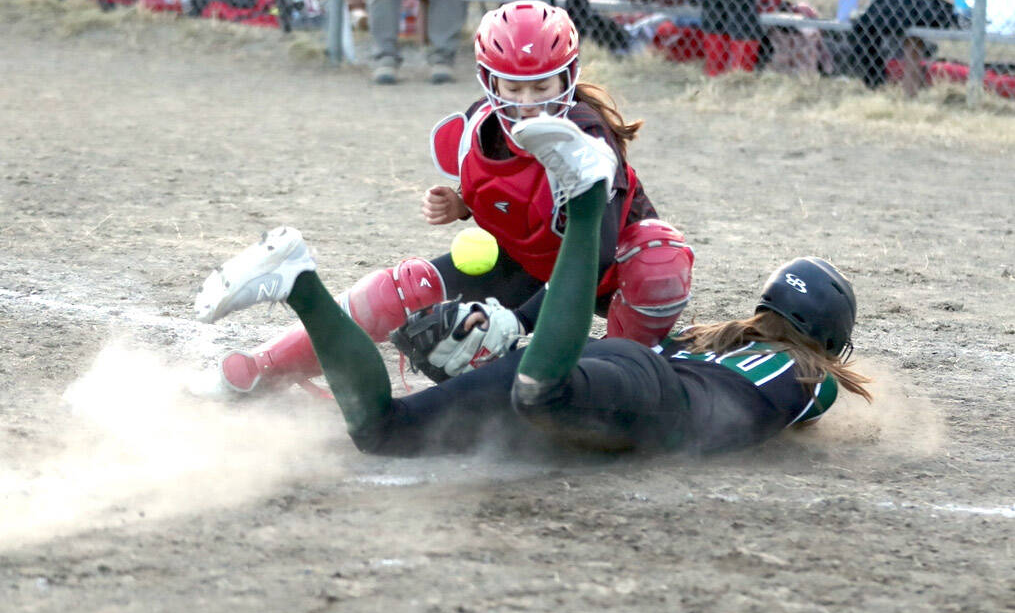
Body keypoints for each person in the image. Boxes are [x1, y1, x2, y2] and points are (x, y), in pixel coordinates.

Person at [194, 121, 871, 457]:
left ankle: (299, 281)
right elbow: (822, 396)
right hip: (644, 398)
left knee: (382, 432)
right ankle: (582, 199)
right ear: (826, 339)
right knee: (542, 391)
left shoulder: (716, 340)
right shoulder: (811, 375)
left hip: (621, 370)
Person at [215, 0, 694, 398]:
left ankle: (625, 368)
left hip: (605, 273)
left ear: (567, 77)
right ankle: (264, 367)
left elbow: (592, 252)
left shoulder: (588, 138)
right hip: (532, 261)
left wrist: (517, 320)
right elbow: (519, 199)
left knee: (658, 260)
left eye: (543, 87)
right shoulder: (474, 130)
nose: (529, 103)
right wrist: (463, 204)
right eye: (514, 87)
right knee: (401, 289)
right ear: (489, 81)